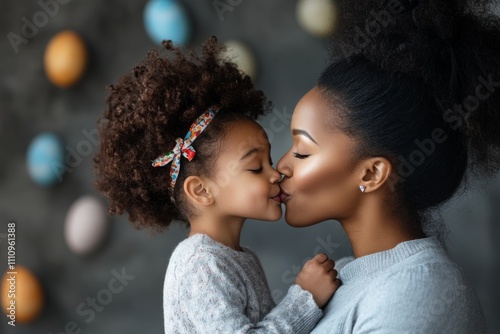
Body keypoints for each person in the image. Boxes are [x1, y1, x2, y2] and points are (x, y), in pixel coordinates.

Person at [277, 0, 500, 332]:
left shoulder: (419, 289)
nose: (280, 166)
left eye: (303, 151)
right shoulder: (342, 278)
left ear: (372, 173)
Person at [93, 36, 339, 333]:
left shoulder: (233, 256)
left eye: (269, 162)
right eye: (255, 167)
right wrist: (306, 298)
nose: (275, 174)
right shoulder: (200, 265)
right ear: (201, 190)